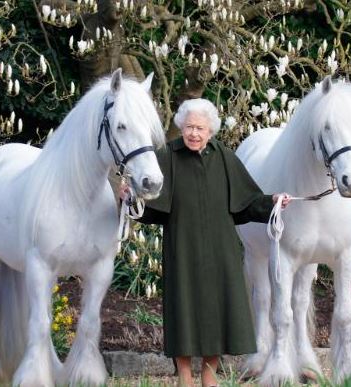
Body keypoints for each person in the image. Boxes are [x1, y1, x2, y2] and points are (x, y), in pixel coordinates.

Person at [120, 98, 291, 387]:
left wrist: (272, 201)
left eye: (199, 128)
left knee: (218, 314)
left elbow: (247, 203)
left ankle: (209, 377)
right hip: (182, 250)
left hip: (220, 251)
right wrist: (130, 200)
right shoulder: (168, 156)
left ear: (210, 130)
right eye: (188, 127)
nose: (194, 134)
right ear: (181, 128)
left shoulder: (224, 156)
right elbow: (151, 208)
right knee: (183, 314)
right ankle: (185, 378)